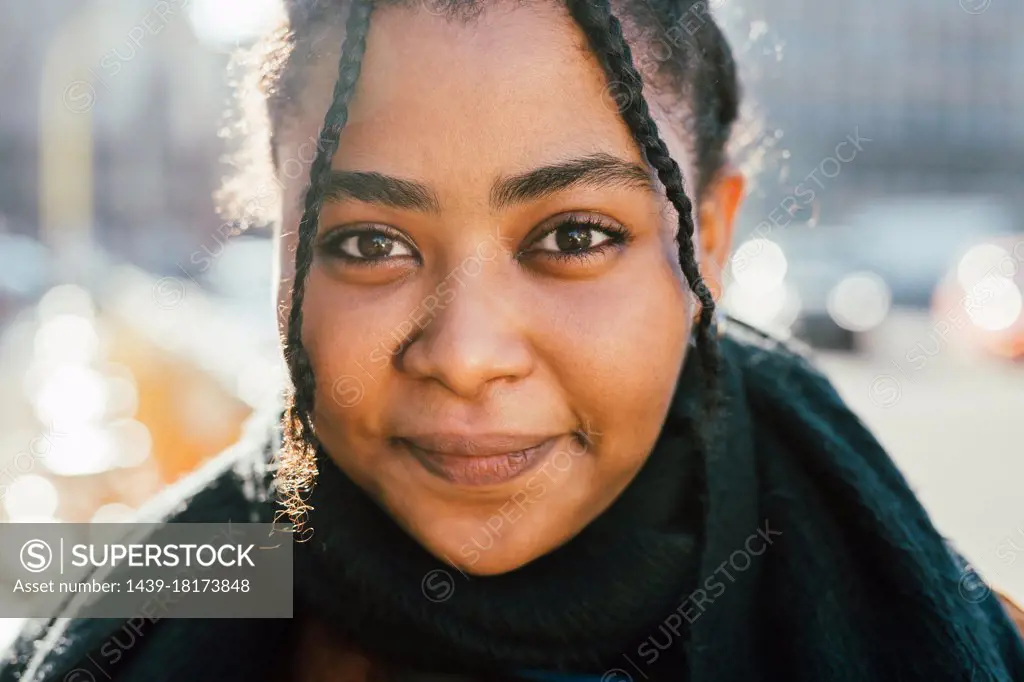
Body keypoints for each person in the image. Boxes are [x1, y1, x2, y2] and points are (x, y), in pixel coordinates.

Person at [3, 1, 1023, 680]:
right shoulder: (175, 575)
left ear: (707, 240)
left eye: (574, 236)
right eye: (368, 242)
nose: (464, 353)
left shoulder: (947, 628)